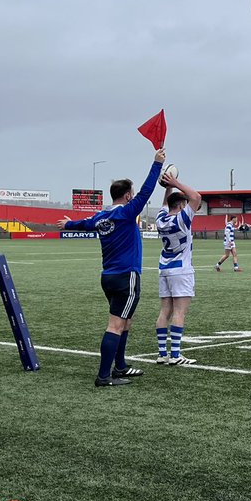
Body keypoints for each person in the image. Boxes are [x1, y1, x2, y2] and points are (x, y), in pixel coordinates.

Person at [56, 148, 166, 387]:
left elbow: (82, 224)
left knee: (124, 320)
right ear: (127, 196)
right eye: (132, 194)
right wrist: (156, 164)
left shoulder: (101, 217)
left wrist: (68, 224)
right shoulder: (127, 213)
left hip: (108, 277)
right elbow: (147, 191)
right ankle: (104, 376)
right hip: (127, 276)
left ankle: (121, 366)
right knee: (116, 324)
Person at [154, 169, 202, 365]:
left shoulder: (160, 219)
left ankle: (161, 354)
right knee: (180, 312)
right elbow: (196, 197)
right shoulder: (183, 219)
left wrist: (169, 186)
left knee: (164, 311)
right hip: (181, 270)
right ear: (182, 205)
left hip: (164, 268)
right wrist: (175, 181)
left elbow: (166, 204)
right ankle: (175, 355)